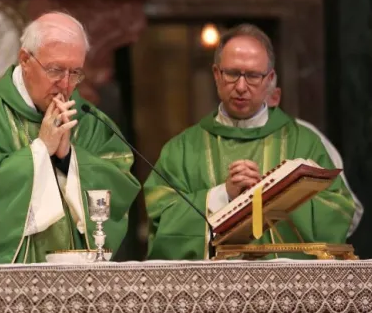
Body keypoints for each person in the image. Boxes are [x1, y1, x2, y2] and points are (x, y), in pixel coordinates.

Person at [0, 12, 141, 264]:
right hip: (3, 278)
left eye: (75, 72)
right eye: (55, 70)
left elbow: (119, 181)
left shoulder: (88, 120)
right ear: (25, 59)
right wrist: (41, 150)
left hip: (76, 278)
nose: (65, 84)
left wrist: (68, 158)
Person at [144, 23, 355, 260]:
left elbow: (338, 209)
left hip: (285, 282)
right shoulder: (181, 150)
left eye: (253, 76)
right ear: (216, 74)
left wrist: (273, 196)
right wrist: (222, 195)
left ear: (270, 79)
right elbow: (162, 216)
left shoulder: (304, 143)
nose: (241, 87)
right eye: (232, 73)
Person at [266, 74, 364, 237]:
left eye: (253, 81)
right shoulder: (216, 140)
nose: (241, 89)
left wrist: (293, 205)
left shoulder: (306, 137)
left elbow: (349, 213)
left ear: (274, 98)